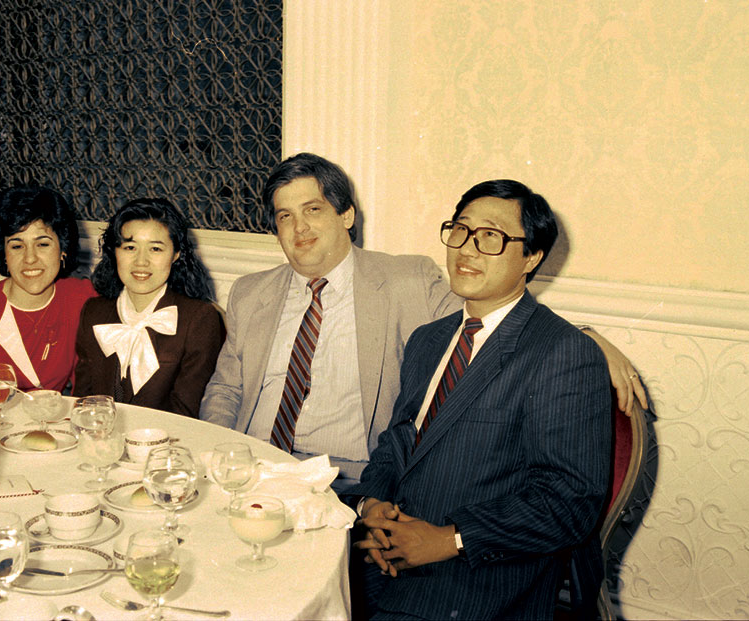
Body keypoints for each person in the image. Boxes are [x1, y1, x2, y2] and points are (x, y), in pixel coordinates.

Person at [200, 153, 644, 489]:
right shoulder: (250, 292)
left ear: (346, 215)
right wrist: (223, 456)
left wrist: (585, 335)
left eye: (313, 210)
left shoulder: (406, 281)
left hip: (343, 481)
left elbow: (491, 317)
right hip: (252, 473)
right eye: (285, 216)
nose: (299, 228)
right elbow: (226, 389)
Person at [348, 179, 611, 620]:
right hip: (384, 560)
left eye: (490, 236)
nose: (467, 249)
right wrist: (372, 507)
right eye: (461, 229)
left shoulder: (563, 352)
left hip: (481, 581)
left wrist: (448, 540)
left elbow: (569, 502)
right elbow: (397, 442)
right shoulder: (428, 339)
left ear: (532, 257)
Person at [73, 197, 225, 417]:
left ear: (176, 254)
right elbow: (83, 402)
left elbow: (185, 413)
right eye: (130, 247)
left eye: (155, 249)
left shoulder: (199, 319)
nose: (141, 261)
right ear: (114, 251)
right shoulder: (93, 312)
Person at [0, 186, 94, 392]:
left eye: (42, 244)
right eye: (17, 246)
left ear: (63, 250)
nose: (30, 258)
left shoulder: (81, 298)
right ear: (4, 254)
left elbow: (89, 388)